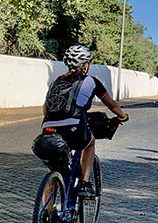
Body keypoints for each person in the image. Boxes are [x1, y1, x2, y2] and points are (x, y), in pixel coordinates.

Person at [41, 45, 129, 197]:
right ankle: (85, 182)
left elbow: (45, 107)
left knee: (53, 170)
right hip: (74, 127)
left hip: (48, 127)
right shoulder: (92, 82)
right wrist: (123, 116)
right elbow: (112, 105)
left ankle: (45, 216)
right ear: (85, 65)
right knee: (90, 142)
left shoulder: (56, 82)